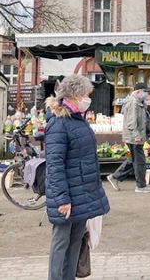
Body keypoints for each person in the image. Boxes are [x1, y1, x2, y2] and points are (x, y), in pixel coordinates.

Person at [44, 75, 110, 280]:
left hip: (81, 194)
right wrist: (62, 199)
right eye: (86, 95)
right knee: (61, 242)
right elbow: (54, 165)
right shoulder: (59, 124)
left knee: (76, 242)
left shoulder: (77, 119)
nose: (88, 99)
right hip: (67, 196)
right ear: (75, 95)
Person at [108, 83, 150, 193]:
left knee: (134, 159)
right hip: (134, 137)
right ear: (138, 92)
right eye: (145, 91)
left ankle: (115, 177)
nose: (147, 94)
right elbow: (132, 122)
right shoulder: (133, 103)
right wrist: (137, 135)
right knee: (139, 161)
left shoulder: (138, 102)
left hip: (135, 136)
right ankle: (140, 186)